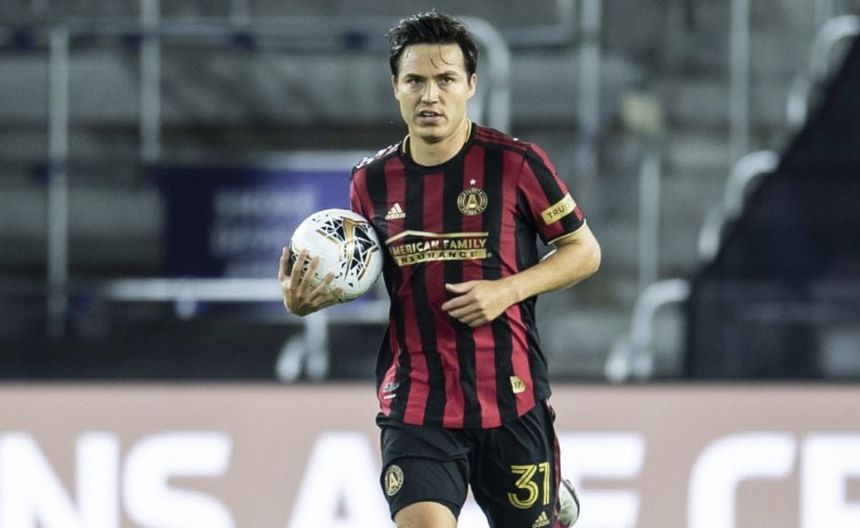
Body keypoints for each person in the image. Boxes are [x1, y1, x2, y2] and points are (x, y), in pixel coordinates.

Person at [279, 11, 599, 528]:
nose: (430, 95)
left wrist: (506, 291)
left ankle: (552, 500)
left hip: (510, 396)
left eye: (446, 79)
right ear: (395, 87)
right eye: (415, 81)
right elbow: (362, 268)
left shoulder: (515, 164)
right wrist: (311, 297)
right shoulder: (370, 181)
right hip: (417, 401)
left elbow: (583, 251)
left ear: (471, 84)